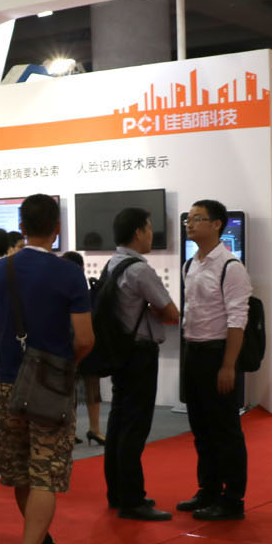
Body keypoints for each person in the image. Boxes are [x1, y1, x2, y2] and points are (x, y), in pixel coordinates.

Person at [0, 194, 92, 544]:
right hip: (51, 385)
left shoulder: (0, 270)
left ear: (22, 227)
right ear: (57, 228)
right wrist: (63, 364)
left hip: (8, 383)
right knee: (45, 472)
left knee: (20, 470)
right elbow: (85, 338)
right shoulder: (69, 274)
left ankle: (42, 543)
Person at [102, 208, 179, 520]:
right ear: (137, 232)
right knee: (135, 426)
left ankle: (117, 493)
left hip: (120, 351)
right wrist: (151, 308)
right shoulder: (139, 270)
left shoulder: (112, 264)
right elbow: (171, 313)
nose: (151, 234)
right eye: (148, 228)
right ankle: (132, 500)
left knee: (119, 421)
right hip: (139, 355)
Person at [178, 199, 251, 521]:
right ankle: (208, 489)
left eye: (197, 218)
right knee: (201, 428)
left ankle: (232, 499)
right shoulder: (190, 264)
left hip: (217, 354)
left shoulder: (230, 267)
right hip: (193, 352)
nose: (190, 224)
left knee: (225, 430)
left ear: (217, 224)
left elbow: (237, 319)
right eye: (189, 219)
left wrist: (228, 365)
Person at [61, 252, 106, 445]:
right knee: (86, 387)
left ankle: (77, 430)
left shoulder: (71, 291)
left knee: (74, 388)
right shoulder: (87, 291)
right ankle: (91, 429)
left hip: (74, 344)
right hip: (85, 344)